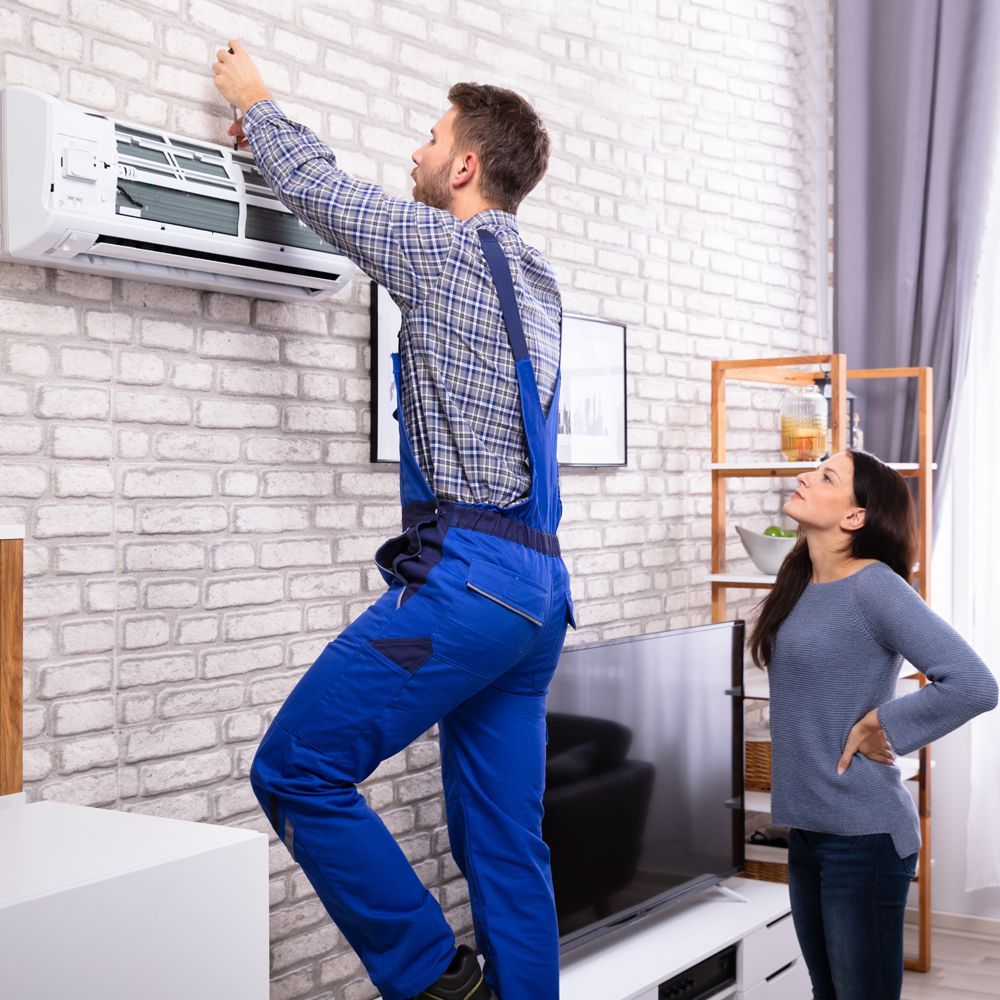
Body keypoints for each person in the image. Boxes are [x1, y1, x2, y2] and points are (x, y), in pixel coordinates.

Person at [212, 40, 573, 1000]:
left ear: (464, 166)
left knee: (297, 769)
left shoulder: (448, 249)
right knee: (504, 839)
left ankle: (432, 979)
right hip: (539, 595)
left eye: (429, 136)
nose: (417, 152)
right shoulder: (539, 281)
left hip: (472, 593)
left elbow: (323, 191)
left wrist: (256, 101)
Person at [749, 449, 998, 1000]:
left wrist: (880, 723)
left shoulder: (875, 587)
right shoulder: (799, 581)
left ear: (855, 517)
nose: (803, 477)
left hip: (862, 835)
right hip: (810, 830)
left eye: (825, 476)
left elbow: (976, 684)